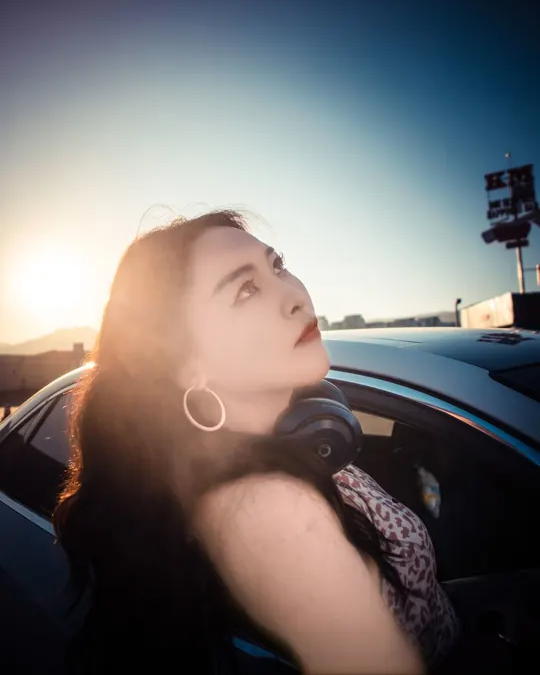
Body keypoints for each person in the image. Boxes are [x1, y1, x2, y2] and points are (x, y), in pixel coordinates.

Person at [54, 210, 442, 674]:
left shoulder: (279, 450)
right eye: (246, 290)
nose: (294, 296)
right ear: (187, 365)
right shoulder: (270, 513)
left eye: (277, 266)